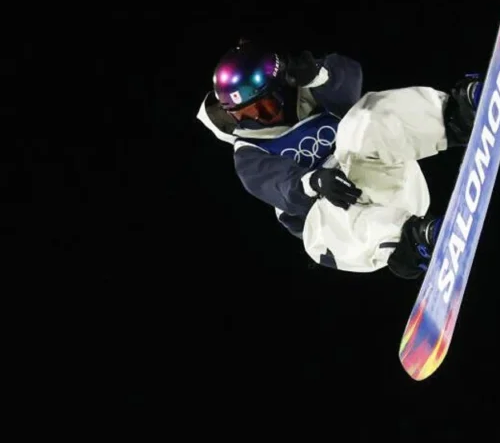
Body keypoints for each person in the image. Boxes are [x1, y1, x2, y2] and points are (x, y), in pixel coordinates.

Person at [196, 38, 482, 279]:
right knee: (323, 215)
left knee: (361, 119)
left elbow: (349, 83)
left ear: (279, 88)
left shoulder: (308, 89)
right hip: (349, 231)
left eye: (266, 106)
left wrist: (318, 75)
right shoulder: (248, 152)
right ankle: (413, 240)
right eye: (246, 115)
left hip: (391, 183)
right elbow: (278, 185)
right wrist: (313, 182)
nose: (260, 118)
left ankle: (456, 117)